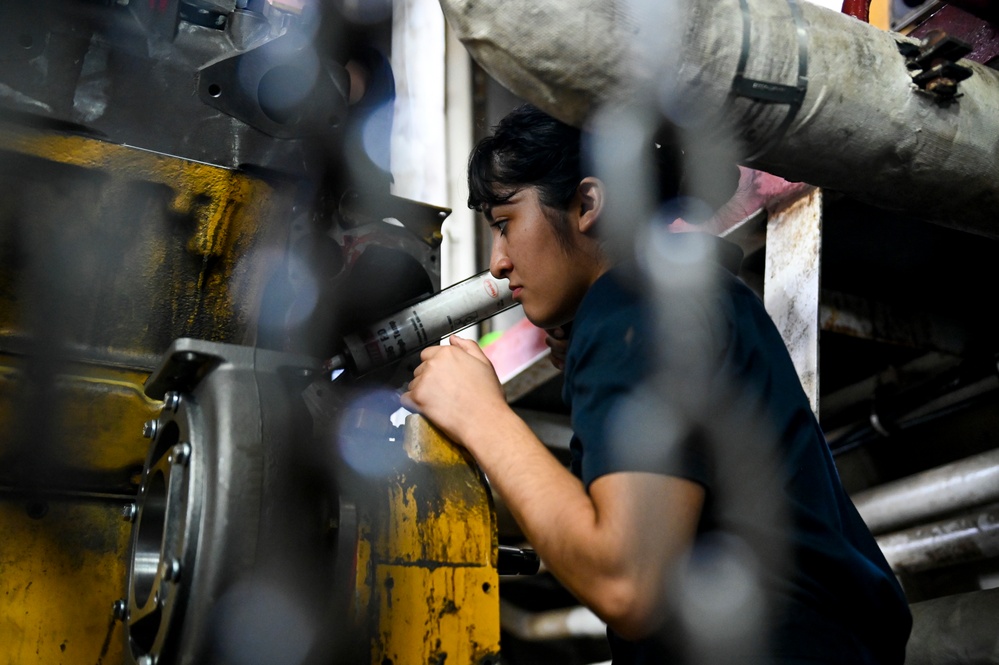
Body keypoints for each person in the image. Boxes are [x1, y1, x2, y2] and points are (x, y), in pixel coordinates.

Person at [400, 104, 911, 664]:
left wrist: (481, 415)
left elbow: (625, 582)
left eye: (505, 224)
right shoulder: (675, 297)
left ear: (587, 204)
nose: (498, 263)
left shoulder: (633, 302)